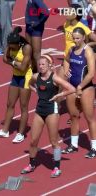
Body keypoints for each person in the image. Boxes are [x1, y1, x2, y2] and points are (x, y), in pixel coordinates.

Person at [21, 55, 76, 178]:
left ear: (49, 65)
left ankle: (56, 167)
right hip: (39, 110)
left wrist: (59, 95)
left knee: (53, 141)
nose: (41, 67)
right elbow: (29, 83)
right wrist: (35, 91)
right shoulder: (36, 77)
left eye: (43, 64)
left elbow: (71, 88)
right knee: (33, 140)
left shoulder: (55, 78)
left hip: (52, 110)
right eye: (39, 64)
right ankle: (31, 164)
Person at [0, 27, 33, 143]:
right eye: (9, 45)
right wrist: (15, 63)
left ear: (18, 43)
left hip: (25, 77)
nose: (10, 47)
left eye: (12, 46)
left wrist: (12, 62)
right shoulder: (10, 44)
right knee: (10, 104)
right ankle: (5, 131)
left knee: (23, 106)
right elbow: (4, 58)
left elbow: (24, 68)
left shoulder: (26, 48)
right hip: (15, 76)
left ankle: (21, 133)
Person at [61, 27, 96, 158]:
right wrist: (65, 70)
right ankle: (73, 145)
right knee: (74, 116)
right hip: (72, 87)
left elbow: (91, 73)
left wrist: (80, 86)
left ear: (83, 38)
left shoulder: (88, 52)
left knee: (89, 118)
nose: (75, 41)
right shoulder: (71, 50)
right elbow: (66, 60)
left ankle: (94, 147)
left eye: (77, 38)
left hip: (85, 88)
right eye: (73, 38)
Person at [25, 0, 49, 73]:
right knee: (29, 52)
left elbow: (46, 13)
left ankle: (40, 77)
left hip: (36, 30)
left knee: (36, 55)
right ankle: (33, 73)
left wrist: (38, 23)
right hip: (28, 27)